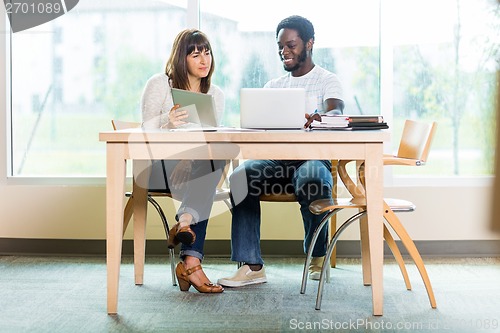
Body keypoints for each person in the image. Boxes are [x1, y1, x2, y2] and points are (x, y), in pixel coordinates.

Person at [218, 15, 345, 287]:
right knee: (240, 177)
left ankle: (317, 255)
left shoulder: (327, 80)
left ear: (309, 43)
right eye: (280, 47)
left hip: (313, 159)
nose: (284, 52)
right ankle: (251, 265)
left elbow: (336, 110)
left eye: (291, 45)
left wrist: (322, 115)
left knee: (313, 179)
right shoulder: (273, 87)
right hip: (275, 162)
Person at [141, 29, 225, 293]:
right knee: (208, 172)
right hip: (159, 168)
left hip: (195, 169)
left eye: (207, 52)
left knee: (217, 156)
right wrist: (167, 122)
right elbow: (145, 132)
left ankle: (187, 237)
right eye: (195, 54)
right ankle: (190, 255)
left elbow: (210, 141)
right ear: (181, 58)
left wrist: (188, 161)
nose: (204, 60)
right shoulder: (160, 84)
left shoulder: (215, 94)